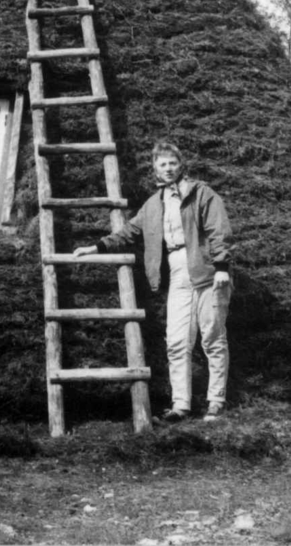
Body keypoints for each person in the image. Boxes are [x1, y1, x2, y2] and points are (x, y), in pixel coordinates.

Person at [73, 140, 232, 422]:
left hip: (208, 272)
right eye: (162, 164)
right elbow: (128, 232)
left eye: (173, 163)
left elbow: (218, 229)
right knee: (177, 340)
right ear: (155, 169)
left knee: (212, 338)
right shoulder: (153, 205)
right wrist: (95, 247)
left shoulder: (201, 193)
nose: (168, 168)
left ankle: (215, 401)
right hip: (178, 272)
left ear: (181, 165)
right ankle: (181, 405)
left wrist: (221, 266)